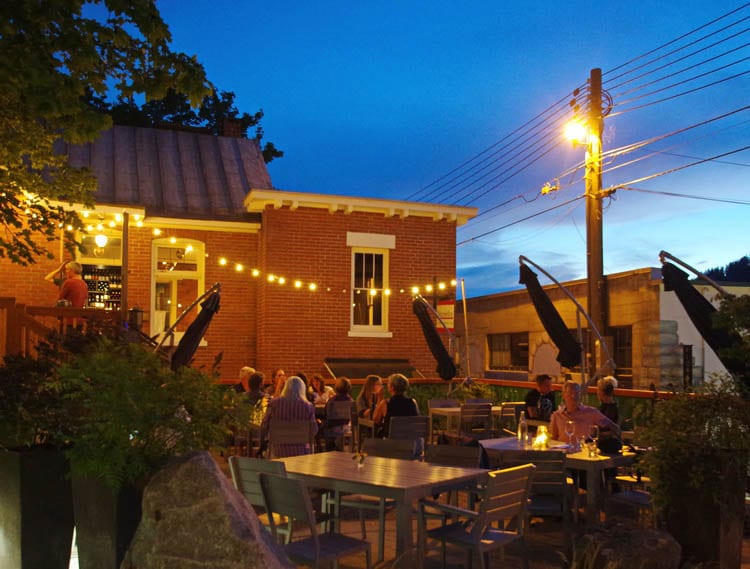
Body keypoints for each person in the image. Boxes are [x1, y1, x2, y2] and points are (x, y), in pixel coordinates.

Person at [260, 376, 318, 458]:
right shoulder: (308, 406)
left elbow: (265, 424)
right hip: (302, 450)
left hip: (278, 449)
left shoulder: (274, 404)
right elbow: (313, 430)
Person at [549, 380, 620, 442]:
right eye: (570, 392)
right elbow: (553, 439)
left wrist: (597, 437)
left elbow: (614, 428)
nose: (574, 396)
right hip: (564, 454)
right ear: (563, 395)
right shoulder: (557, 416)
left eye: (577, 393)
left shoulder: (591, 412)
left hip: (584, 453)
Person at [372, 373, 419, 437]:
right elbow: (417, 420)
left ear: (392, 387)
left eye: (388, 383)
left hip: (391, 443)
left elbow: (375, 420)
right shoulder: (413, 402)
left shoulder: (386, 403)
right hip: (410, 441)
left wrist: (379, 398)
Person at [323, 376, 354, 451]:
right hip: (346, 428)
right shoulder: (351, 401)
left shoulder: (332, 401)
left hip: (333, 430)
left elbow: (326, 415)